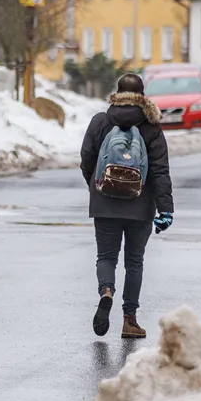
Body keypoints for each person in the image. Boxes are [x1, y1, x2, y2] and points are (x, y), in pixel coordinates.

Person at [80, 74, 174, 339]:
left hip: (104, 203)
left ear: (117, 93)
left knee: (106, 257)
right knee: (134, 262)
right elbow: (160, 171)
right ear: (142, 96)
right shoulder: (151, 126)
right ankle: (129, 320)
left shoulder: (101, 121)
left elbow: (86, 158)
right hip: (140, 205)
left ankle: (106, 292)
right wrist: (165, 208)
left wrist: (95, 186)